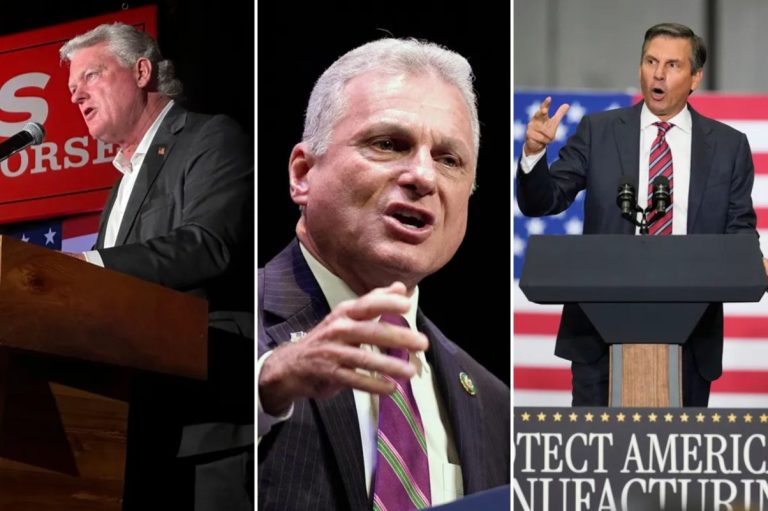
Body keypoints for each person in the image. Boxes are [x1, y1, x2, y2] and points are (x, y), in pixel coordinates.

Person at [257, 38, 510, 510]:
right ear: (302, 173)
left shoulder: (496, 405)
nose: (423, 177)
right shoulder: (224, 323)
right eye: (389, 144)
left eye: (449, 159)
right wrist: (265, 386)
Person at [60, 23, 253, 510]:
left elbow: (208, 245)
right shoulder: (120, 182)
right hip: (136, 424)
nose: (76, 94)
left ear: (141, 71)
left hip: (208, 414)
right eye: (71, 88)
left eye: (91, 76)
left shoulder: (211, 136)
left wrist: (89, 265)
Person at [516, 22, 758, 407]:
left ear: (695, 77)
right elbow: (543, 201)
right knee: (596, 461)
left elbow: (739, 227)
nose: (658, 74)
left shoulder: (729, 147)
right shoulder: (599, 131)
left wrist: (751, 261)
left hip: (691, 334)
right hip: (599, 333)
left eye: (673, 65)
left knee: (678, 463)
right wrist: (532, 154)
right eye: (650, 61)